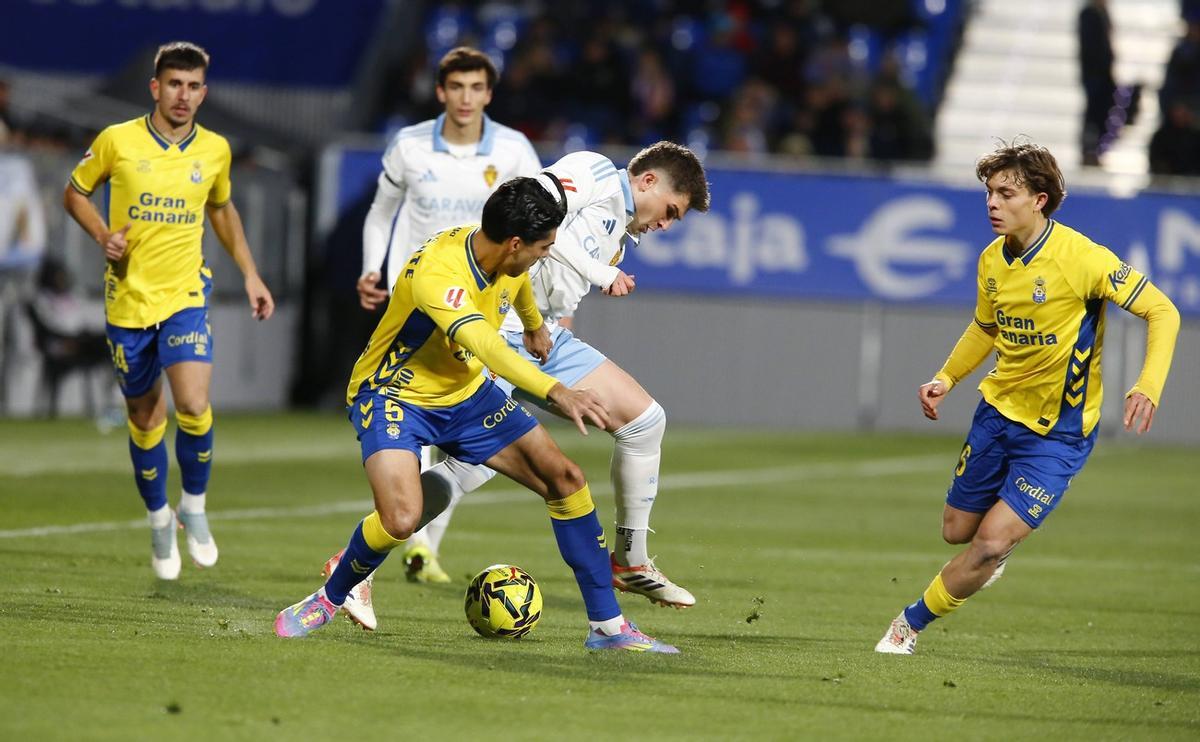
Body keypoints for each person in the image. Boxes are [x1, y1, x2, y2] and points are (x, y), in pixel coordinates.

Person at [274, 177, 678, 653]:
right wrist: (557, 392)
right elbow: (484, 343)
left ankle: (608, 629)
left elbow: (518, 280)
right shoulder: (440, 274)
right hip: (394, 395)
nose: (546, 254)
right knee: (401, 517)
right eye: (543, 246)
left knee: (565, 479)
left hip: (464, 394)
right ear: (514, 243)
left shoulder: (497, 251)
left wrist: (532, 325)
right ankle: (329, 596)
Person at [875, 141, 1180, 655]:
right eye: (989, 192)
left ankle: (907, 626)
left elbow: (1162, 310)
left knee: (989, 542)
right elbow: (985, 326)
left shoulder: (1082, 259)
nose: (992, 203)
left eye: (1006, 192)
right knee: (956, 531)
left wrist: (1147, 384)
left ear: (1039, 200)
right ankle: (993, 553)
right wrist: (946, 377)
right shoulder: (992, 260)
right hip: (996, 415)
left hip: (1059, 434)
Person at [62, 41, 275, 580]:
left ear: (204, 92)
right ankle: (159, 517)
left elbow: (222, 211)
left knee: (194, 403)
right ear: (155, 88)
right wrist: (102, 235)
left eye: (193, 86)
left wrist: (250, 274)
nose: (183, 95)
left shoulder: (216, 151)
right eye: (173, 84)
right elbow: (75, 192)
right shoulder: (117, 140)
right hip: (129, 301)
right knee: (144, 416)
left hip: (185, 296)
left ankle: (194, 509)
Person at [350, 46, 542, 587]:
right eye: (455, 87)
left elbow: (536, 230)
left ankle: (419, 544)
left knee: (470, 439)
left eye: (476, 88)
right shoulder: (410, 145)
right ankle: (413, 542)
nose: (465, 98)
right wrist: (373, 270)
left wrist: (543, 311)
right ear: (440, 91)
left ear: (489, 93)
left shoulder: (513, 150)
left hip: (486, 308)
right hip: (419, 306)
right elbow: (382, 212)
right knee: (420, 423)